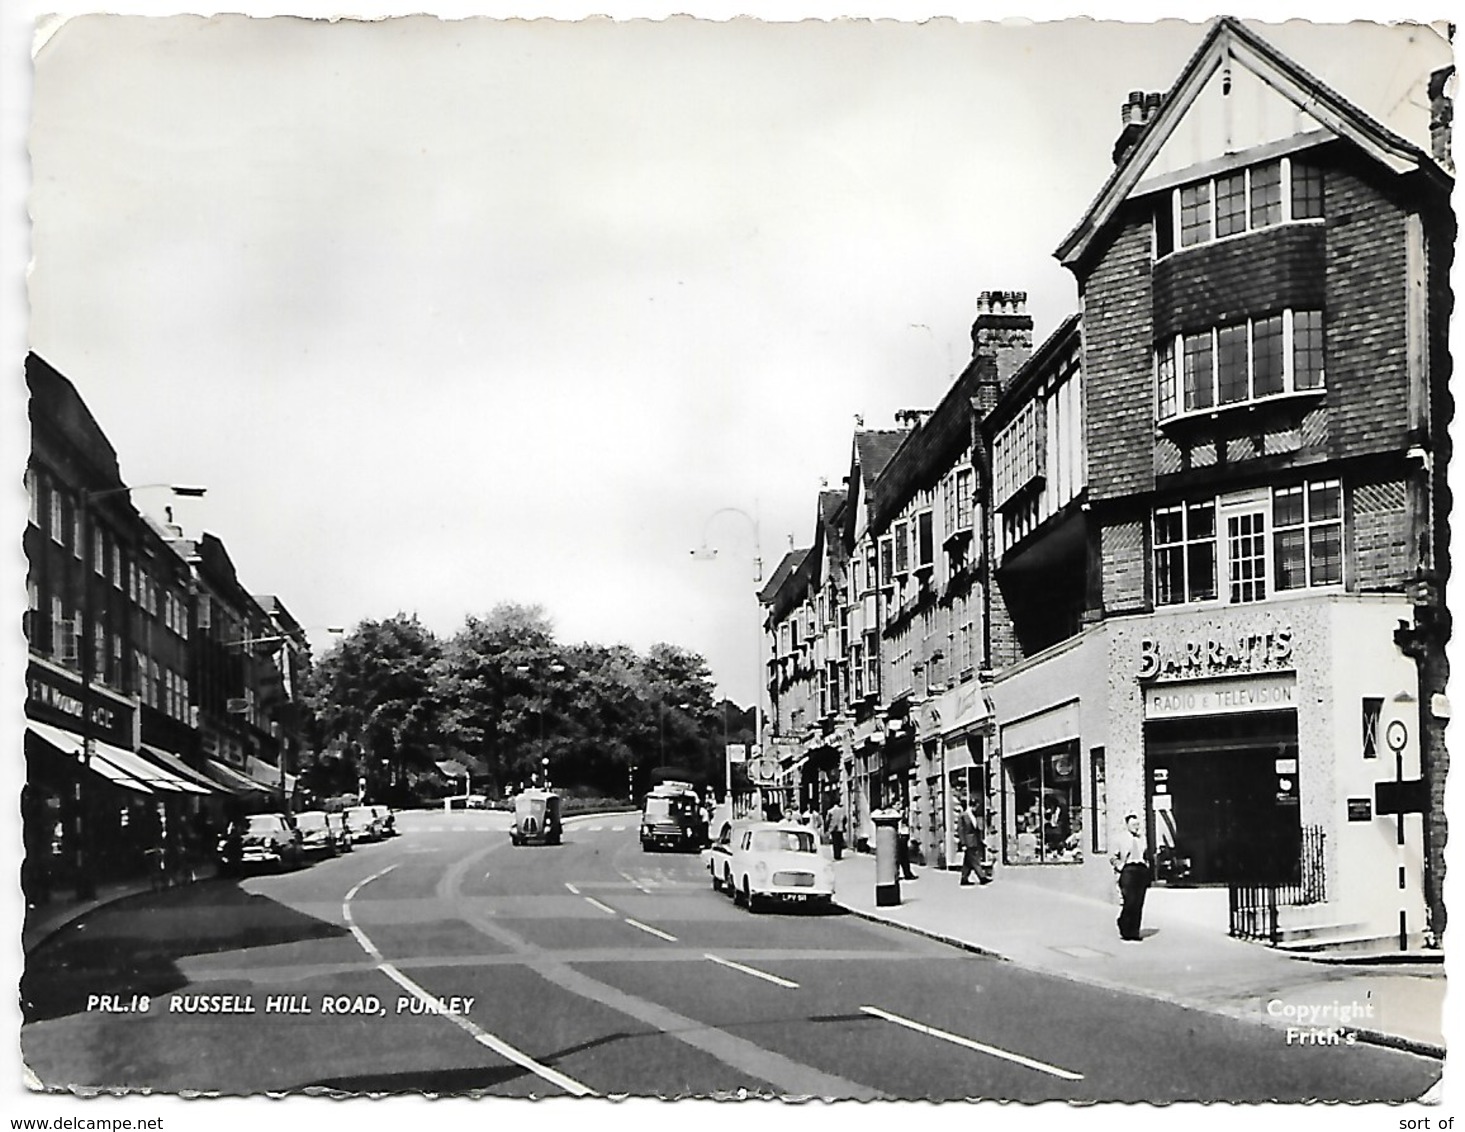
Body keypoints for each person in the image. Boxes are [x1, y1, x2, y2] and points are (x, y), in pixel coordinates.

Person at [1111, 813, 1152, 942]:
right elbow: (1113, 857)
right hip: (1128, 869)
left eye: (1137, 824)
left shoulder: (1142, 839)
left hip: (1140, 869)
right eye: (1133, 825)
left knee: (1139, 901)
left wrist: (1147, 866)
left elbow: (1146, 854)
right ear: (1127, 825)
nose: (1136, 827)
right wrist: (1120, 867)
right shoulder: (1120, 839)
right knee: (1130, 900)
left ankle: (1134, 932)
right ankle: (1124, 924)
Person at [958, 799, 990, 886]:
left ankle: (964, 879)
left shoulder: (973, 815)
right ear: (972, 806)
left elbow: (975, 829)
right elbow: (961, 831)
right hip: (968, 843)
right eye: (975, 806)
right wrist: (963, 843)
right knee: (975, 860)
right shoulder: (963, 816)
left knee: (968, 862)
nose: (976, 809)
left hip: (974, 841)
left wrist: (980, 840)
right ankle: (982, 877)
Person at [896, 806, 917, 880]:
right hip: (900, 834)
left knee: (902, 855)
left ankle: (905, 873)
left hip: (903, 833)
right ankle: (904, 873)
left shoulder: (905, 811)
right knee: (900, 855)